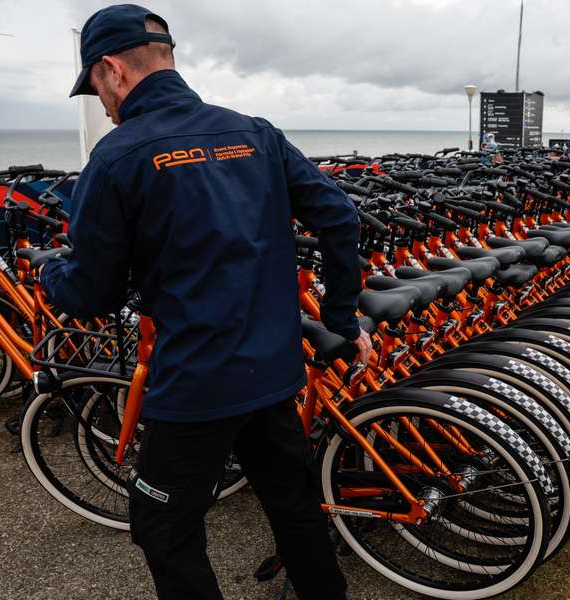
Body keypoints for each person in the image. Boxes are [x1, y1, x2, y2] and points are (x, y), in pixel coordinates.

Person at [41, 5, 370, 600]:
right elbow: (339, 218)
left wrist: (51, 275)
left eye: (94, 87)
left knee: (163, 526)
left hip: (195, 384)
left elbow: (92, 293)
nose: (103, 104)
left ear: (112, 69)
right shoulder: (255, 133)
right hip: (272, 371)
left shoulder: (116, 158)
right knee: (294, 508)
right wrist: (343, 319)